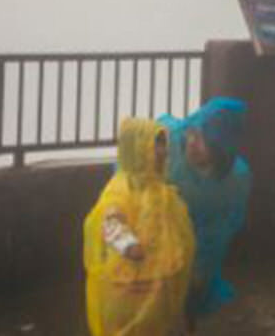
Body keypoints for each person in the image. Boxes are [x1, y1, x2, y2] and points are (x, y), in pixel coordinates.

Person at [83, 118, 196, 336]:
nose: (163, 151)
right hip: (126, 287)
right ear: (136, 149)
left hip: (156, 283)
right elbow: (110, 221)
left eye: (164, 144)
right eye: (156, 144)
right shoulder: (121, 188)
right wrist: (129, 245)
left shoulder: (160, 188)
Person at [158, 98, 252, 334]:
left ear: (222, 150)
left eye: (204, 142)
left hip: (200, 237)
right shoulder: (167, 142)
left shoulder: (234, 180)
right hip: (160, 228)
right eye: (193, 134)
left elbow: (221, 225)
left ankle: (189, 321)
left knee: (193, 288)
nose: (192, 143)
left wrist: (201, 266)